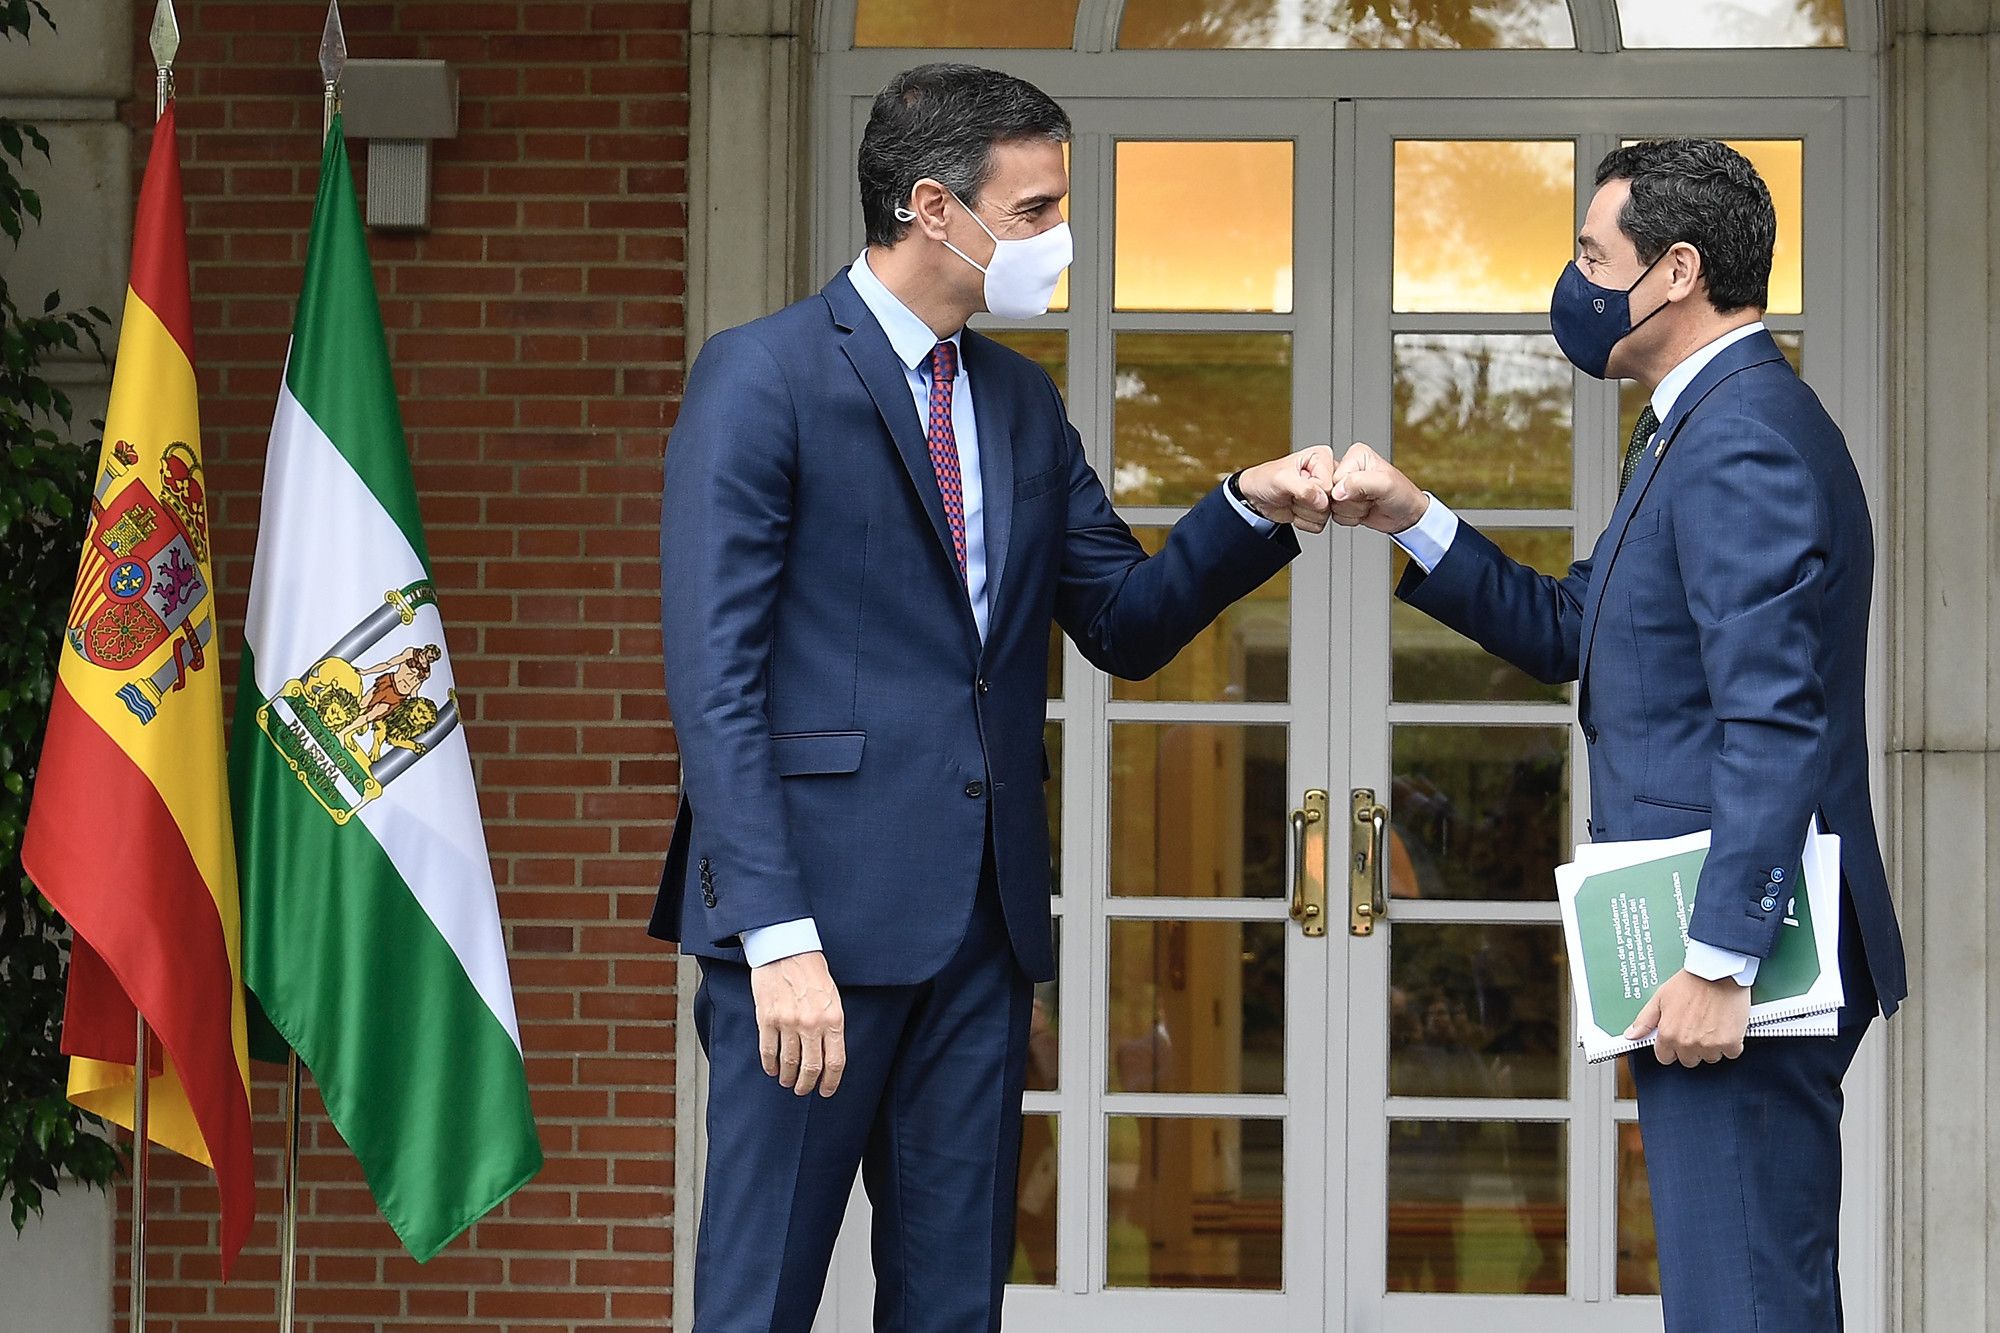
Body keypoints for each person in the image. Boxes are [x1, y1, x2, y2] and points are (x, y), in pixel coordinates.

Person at [652, 62, 1334, 1333]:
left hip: (979, 935)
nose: (1057, 240)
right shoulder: (762, 375)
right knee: (758, 1305)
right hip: (808, 944)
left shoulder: (1019, 401)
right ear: (930, 208)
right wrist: (772, 936)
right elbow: (717, 680)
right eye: (1033, 212)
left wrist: (1248, 508)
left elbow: (1123, 622)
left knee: (954, 1305)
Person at [1326, 138, 1906, 1332]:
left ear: (1676, 269)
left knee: (1743, 1298)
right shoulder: (1695, 426)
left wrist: (1715, 960)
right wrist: (1411, 517)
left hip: (1735, 966)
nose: (1576, 282)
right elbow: (1573, 626)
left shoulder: (1739, 435)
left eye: (1594, 255)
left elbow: (1770, 717)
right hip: (1711, 951)